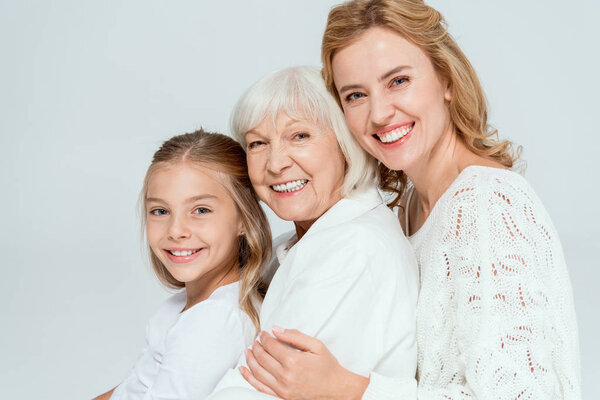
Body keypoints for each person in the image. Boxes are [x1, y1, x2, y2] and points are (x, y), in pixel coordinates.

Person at [238, 1, 581, 399]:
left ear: (447, 79)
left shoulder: (486, 204)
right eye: (355, 95)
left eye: (398, 81)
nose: (380, 113)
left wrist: (349, 389)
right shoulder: (409, 209)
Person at [208, 66, 419, 399]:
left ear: (345, 143)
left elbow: (254, 390)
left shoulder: (352, 249)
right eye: (258, 143)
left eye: (300, 136)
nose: (276, 163)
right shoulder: (301, 245)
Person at [93, 130, 272, 400]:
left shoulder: (214, 321)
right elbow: (131, 389)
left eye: (200, 210)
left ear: (243, 219)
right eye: (160, 211)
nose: (176, 230)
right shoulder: (183, 308)